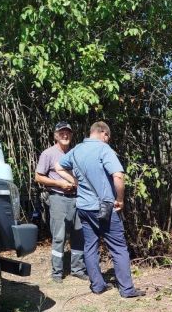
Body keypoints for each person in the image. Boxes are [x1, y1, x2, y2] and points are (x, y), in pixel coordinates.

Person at [55, 121, 145, 298]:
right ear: (103, 133)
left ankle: (97, 286)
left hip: (83, 208)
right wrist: (120, 199)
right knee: (118, 247)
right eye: (108, 137)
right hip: (104, 208)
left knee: (90, 246)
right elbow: (118, 175)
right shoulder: (104, 150)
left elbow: (58, 167)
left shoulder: (76, 150)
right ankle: (127, 289)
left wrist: (76, 182)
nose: (108, 141)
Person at [34, 121, 88, 284]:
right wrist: (60, 184)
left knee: (79, 234)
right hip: (58, 198)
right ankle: (57, 272)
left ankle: (77, 269)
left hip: (78, 198)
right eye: (62, 132)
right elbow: (38, 177)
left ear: (71, 135)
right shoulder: (48, 154)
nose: (65, 135)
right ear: (56, 135)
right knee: (59, 236)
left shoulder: (75, 153)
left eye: (68, 132)